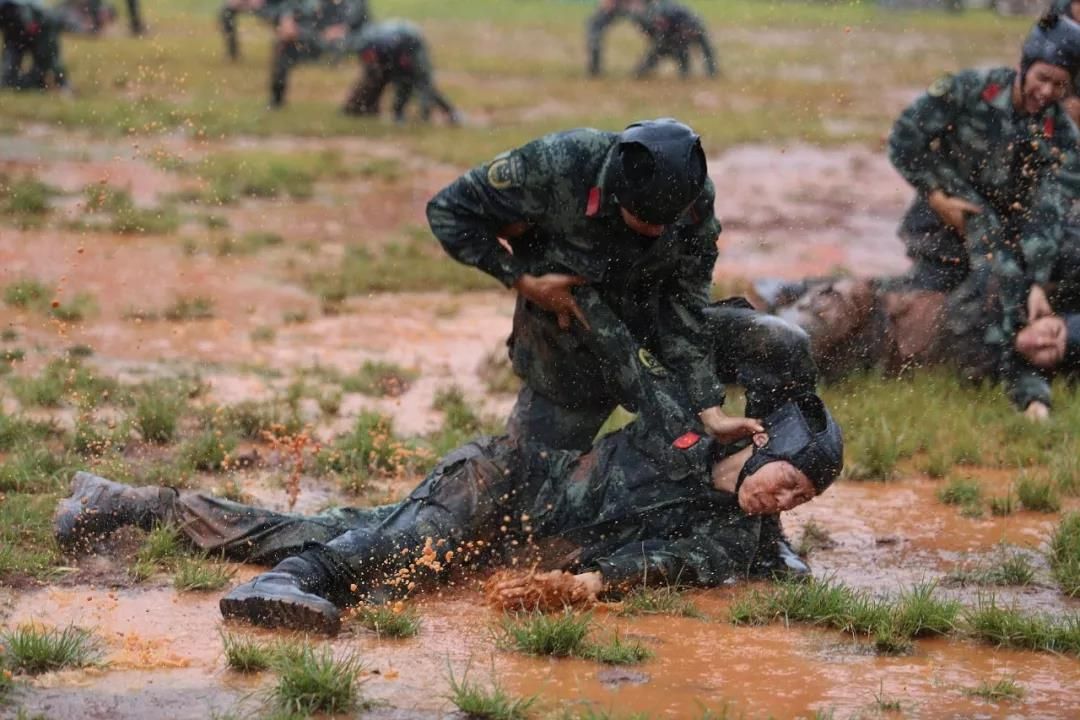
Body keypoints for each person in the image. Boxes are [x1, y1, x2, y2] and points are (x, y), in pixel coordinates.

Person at [54, 290, 843, 635]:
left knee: (335, 529)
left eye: (799, 502)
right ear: (759, 443)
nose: (782, 502)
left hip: (513, 541)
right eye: (787, 483)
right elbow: (739, 337)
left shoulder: (735, 534)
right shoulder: (688, 419)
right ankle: (289, 586)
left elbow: (670, 563)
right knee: (395, 548)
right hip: (500, 480)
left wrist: (592, 585)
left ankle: (119, 502)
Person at [427, 118, 736, 455]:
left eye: (668, 222)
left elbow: (687, 300)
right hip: (569, 352)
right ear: (618, 192)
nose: (659, 231)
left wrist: (707, 403)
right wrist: (524, 281)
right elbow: (448, 210)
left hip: (655, 341)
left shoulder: (692, 193)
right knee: (531, 473)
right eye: (647, 220)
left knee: (695, 455)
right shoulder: (557, 163)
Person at [882, 12, 1080, 416]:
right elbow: (904, 138)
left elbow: (1047, 217)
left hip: (999, 243)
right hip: (939, 232)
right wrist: (937, 194)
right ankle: (793, 296)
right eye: (1042, 77)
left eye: (1060, 85)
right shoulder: (971, 89)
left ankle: (1022, 386)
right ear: (1024, 65)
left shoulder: (1062, 138)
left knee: (996, 303)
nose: (1046, 91)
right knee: (908, 305)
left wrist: (1036, 281)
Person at [341, 19, 460, 124]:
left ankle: (437, 113)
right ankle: (399, 114)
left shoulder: (385, 43)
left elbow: (400, 52)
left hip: (413, 45)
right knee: (403, 83)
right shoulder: (365, 46)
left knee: (423, 83)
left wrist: (405, 61)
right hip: (401, 49)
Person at [268, 0, 370, 109]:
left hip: (343, 39)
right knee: (284, 45)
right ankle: (277, 97)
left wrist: (344, 28)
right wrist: (287, 19)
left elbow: (358, 16)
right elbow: (290, 6)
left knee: (372, 52)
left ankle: (362, 102)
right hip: (313, 35)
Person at [631, 0, 718, 79]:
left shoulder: (663, 10)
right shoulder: (661, 10)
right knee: (664, 50)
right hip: (678, 30)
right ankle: (688, 72)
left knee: (695, 48)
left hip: (687, 26)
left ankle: (707, 71)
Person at [0, 0, 68, 91]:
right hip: (16, 16)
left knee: (44, 59)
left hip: (30, 17)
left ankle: (54, 82)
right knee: (9, 78)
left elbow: (50, 54)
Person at [585, 0, 642, 77]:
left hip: (640, 6)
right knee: (594, 26)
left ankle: (644, 68)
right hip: (617, 4)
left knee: (656, 27)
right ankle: (594, 69)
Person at [219, 0, 288, 61]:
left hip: (273, 4)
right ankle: (232, 52)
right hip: (253, 4)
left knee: (280, 18)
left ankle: (284, 52)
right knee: (226, 13)